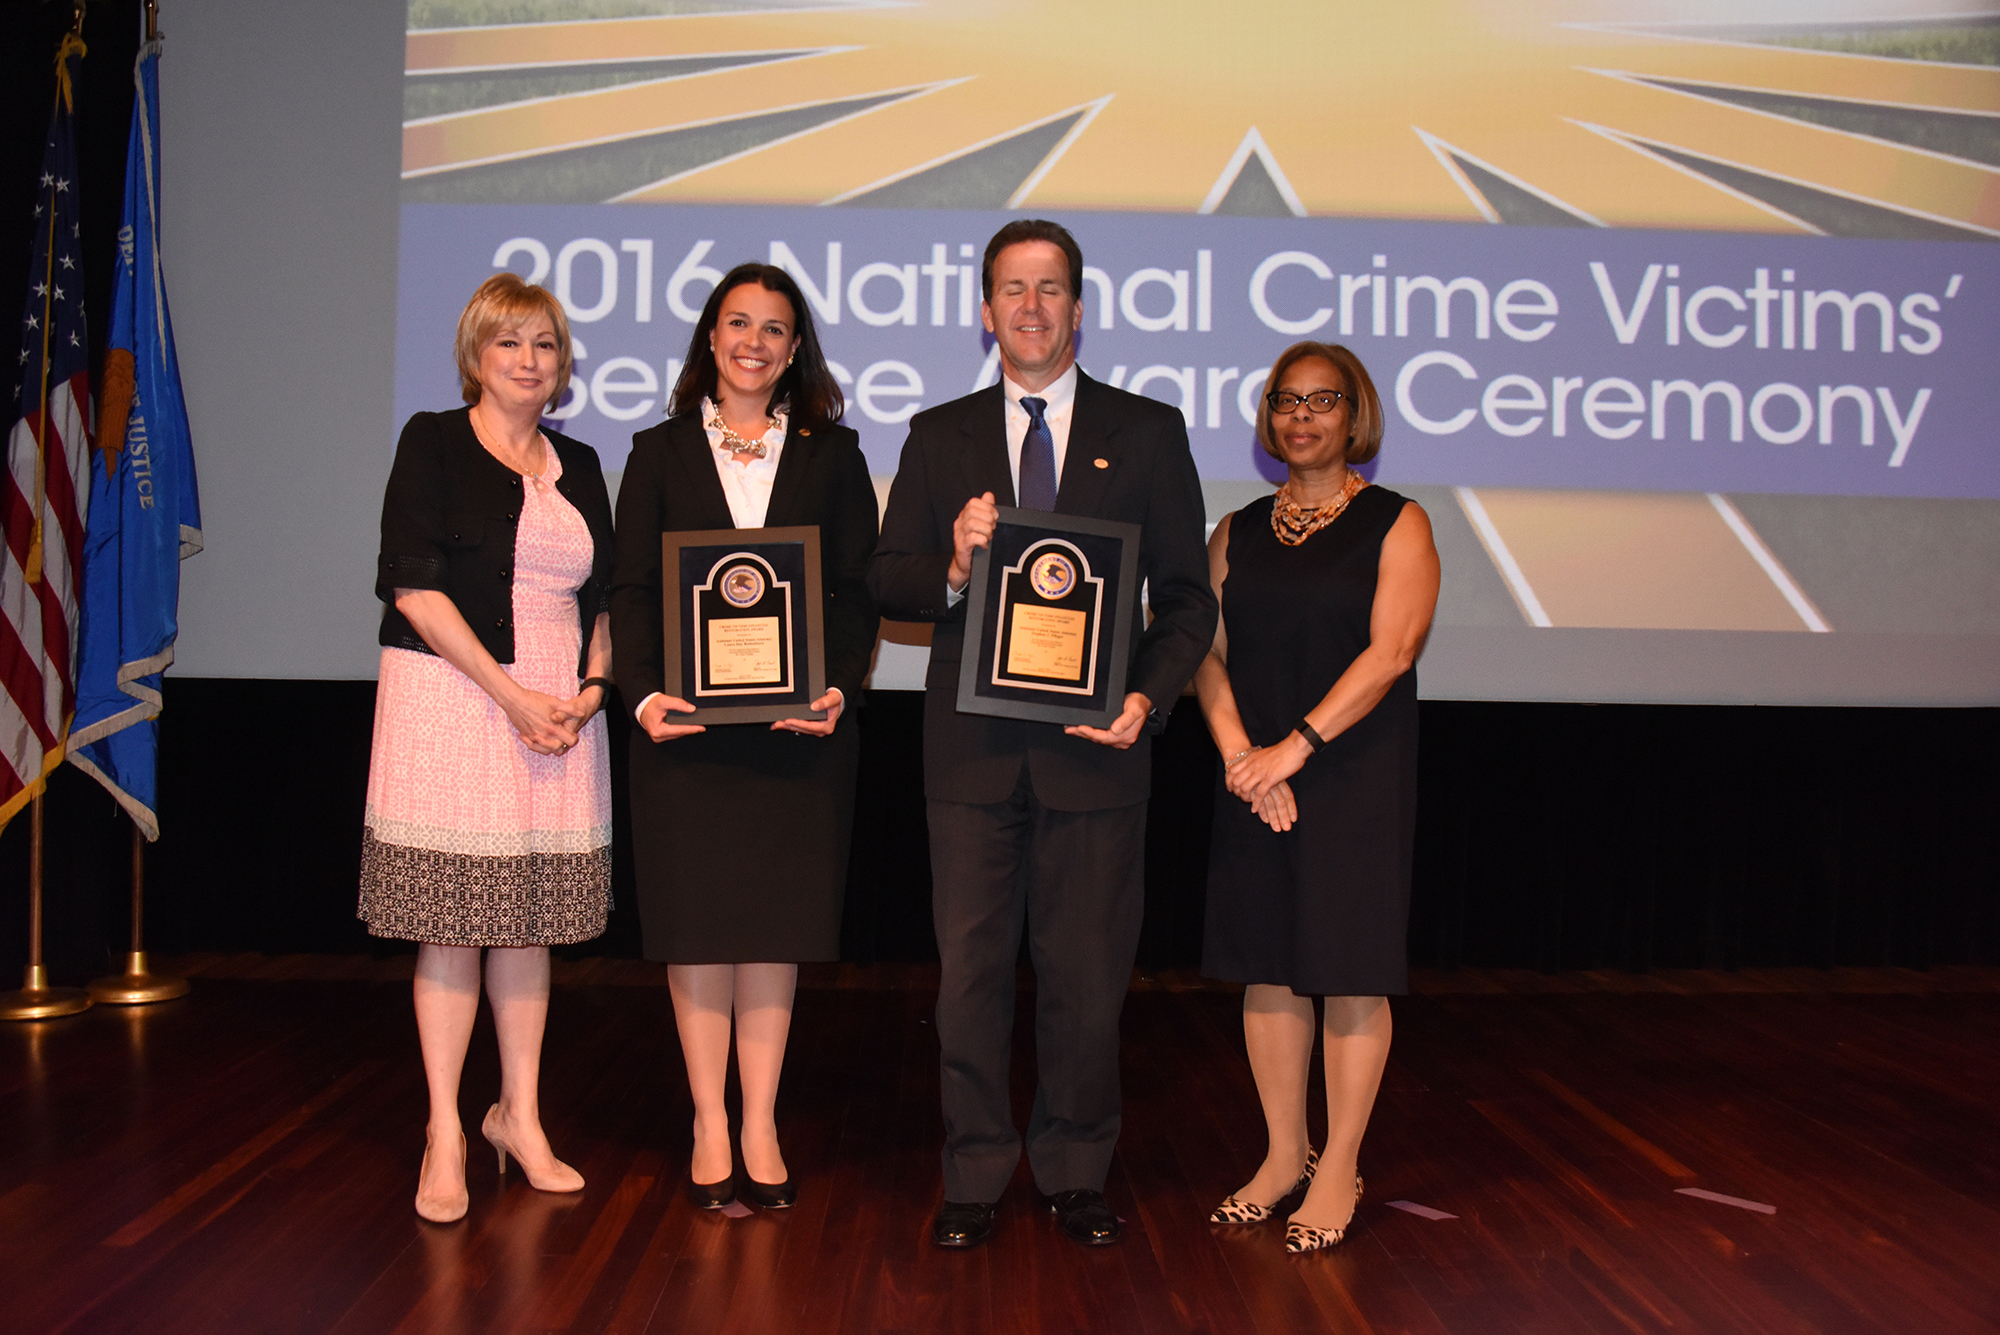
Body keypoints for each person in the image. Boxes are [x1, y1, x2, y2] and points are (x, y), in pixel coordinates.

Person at [868, 219, 1216, 1249]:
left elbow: (1187, 601)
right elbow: (885, 579)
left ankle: (1074, 1165)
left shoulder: (1147, 431)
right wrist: (954, 563)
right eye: (1011, 289)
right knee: (968, 976)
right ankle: (972, 1170)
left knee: (1085, 977)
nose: (1030, 306)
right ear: (985, 312)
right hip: (970, 756)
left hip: (1095, 753)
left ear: (1077, 306)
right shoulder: (939, 436)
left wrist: (1145, 700)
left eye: (1049, 288)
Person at [610, 263, 879, 1212]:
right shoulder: (656, 451)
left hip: (797, 730)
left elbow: (855, 592)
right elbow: (633, 589)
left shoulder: (834, 456)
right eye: (738, 323)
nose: (754, 342)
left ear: (794, 347)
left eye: (774, 328)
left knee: (773, 928)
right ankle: (708, 1120)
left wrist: (838, 686)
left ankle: (758, 1117)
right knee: (698, 926)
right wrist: (642, 697)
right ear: (710, 339)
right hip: (682, 732)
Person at [361, 272, 616, 1224]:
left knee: (527, 918)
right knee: (452, 917)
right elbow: (412, 586)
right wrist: (511, 695)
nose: (528, 361)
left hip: (557, 711)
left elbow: (610, 600)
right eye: (509, 343)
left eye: (545, 345)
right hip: (453, 696)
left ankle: (520, 1116)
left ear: (563, 366)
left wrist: (587, 696)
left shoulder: (582, 461)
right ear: (476, 355)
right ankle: (445, 1129)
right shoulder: (430, 439)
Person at [1193, 341, 1440, 1253]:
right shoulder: (1237, 531)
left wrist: (1291, 750)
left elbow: (1392, 652)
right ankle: (1281, 1154)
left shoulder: (1398, 521)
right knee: (1267, 960)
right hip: (1255, 774)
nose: (1302, 417)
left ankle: (1339, 1163)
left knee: (1346, 966)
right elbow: (1202, 653)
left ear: (1355, 415)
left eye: (1322, 401)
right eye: (1286, 401)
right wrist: (1241, 757)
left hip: (1349, 772)